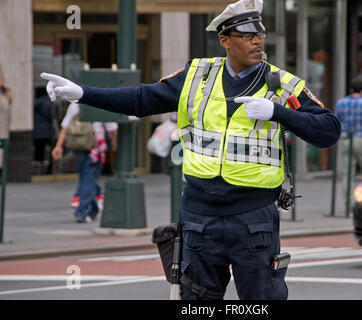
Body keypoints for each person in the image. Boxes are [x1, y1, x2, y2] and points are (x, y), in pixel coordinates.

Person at [41, 0, 341, 299]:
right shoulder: (197, 76)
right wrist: (82, 93)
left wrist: (278, 113)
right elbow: (141, 99)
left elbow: (329, 131)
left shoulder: (282, 85)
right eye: (247, 34)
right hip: (200, 216)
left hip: (253, 217)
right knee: (196, 301)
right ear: (224, 40)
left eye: (259, 33)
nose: (257, 40)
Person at [52, 102, 117, 222]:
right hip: (95, 147)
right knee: (88, 178)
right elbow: (112, 129)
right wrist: (114, 143)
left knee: (85, 178)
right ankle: (83, 211)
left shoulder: (75, 104)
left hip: (77, 145)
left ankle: (92, 209)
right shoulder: (102, 103)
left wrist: (58, 145)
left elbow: (65, 126)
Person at [335, 81, 362, 193]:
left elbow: (336, 121)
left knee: (347, 173)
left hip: (346, 139)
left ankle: (347, 203)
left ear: (351, 90)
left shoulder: (340, 103)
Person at [33, 86, 54, 174]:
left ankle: (38, 170)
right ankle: (49, 169)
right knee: (50, 150)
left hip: (37, 131)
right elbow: (51, 116)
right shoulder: (48, 103)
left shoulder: (33, 104)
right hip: (47, 130)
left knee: (39, 150)